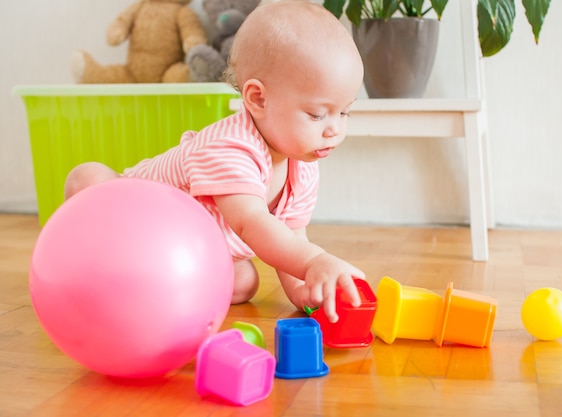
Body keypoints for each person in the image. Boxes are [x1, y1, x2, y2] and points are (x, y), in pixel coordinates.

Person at [64, 0, 365, 323]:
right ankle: (104, 258)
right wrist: (314, 261)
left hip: (187, 249)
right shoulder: (230, 145)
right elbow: (251, 223)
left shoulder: (302, 167)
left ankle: (157, 281)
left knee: (244, 284)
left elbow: (292, 238)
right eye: (318, 114)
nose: (335, 129)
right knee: (88, 179)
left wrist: (303, 289)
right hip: (138, 221)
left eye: (344, 111)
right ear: (258, 98)